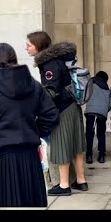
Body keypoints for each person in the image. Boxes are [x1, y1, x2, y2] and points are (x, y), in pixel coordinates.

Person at [0, 43, 59, 207]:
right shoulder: (34, 86)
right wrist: (34, 131)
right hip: (29, 156)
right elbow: (51, 115)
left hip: (0, 157)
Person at [26, 31, 89, 196]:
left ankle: (64, 185)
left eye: (29, 45)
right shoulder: (57, 60)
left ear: (38, 46)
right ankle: (81, 181)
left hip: (62, 110)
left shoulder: (50, 64)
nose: (26, 48)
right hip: (72, 106)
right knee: (76, 145)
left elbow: (51, 91)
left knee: (62, 146)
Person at [84, 71, 111, 164]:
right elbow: (109, 105)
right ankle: (102, 155)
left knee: (89, 134)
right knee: (101, 134)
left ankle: (89, 155)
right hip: (102, 113)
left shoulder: (90, 82)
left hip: (90, 111)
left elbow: (85, 95)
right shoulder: (107, 88)